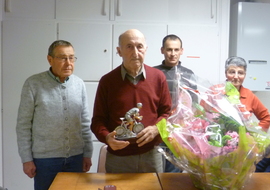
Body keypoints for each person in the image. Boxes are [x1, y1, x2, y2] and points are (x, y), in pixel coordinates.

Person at [91, 29, 172, 173]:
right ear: (119, 51)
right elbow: (98, 120)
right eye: (129, 46)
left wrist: (156, 129)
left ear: (146, 49)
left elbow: (167, 114)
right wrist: (107, 138)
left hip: (151, 156)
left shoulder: (158, 78)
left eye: (139, 46)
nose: (135, 52)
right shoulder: (107, 81)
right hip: (118, 159)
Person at [16, 40, 93, 190]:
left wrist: (87, 153)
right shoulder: (33, 84)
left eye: (71, 57)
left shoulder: (79, 84)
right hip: (45, 161)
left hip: (76, 158)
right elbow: (23, 125)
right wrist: (26, 159)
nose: (68, 63)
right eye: (62, 58)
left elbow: (84, 122)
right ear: (50, 59)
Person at [154, 34, 195, 173]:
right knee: (155, 173)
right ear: (162, 50)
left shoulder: (188, 75)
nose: (172, 54)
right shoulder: (153, 73)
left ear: (181, 51)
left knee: (174, 176)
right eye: (169, 49)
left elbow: (194, 106)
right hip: (156, 131)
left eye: (176, 50)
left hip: (179, 133)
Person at [225, 56, 270, 131]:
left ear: (245, 75)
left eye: (240, 73)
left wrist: (254, 134)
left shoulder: (249, 95)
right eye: (232, 72)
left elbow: (266, 118)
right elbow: (201, 116)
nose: (236, 76)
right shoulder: (215, 92)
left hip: (242, 140)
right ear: (226, 73)